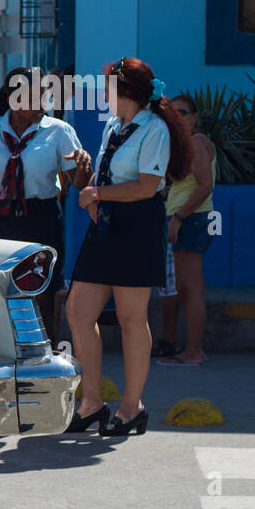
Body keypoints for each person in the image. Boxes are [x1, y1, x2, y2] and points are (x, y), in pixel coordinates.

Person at [66, 58, 195, 436]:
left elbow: (145, 186)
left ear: (127, 93)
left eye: (108, 87)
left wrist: (96, 193)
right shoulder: (113, 125)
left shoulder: (154, 129)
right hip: (107, 225)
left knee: (130, 319)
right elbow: (104, 176)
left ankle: (131, 407)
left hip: (138, 225)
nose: (103, 94)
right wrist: (92, 190)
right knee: (78, 312)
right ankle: (91, 403)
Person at [0, 66, 94, 341]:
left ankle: (47, 350)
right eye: (37, 95)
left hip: (41, 217)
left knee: (43, 289)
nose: (44, 102)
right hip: (0, 217)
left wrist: (84, 167)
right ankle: (3, 348)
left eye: (46, 94)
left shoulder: (59, 131)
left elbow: (80, 182)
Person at [156, 93, 217, 367]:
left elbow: (205, 185)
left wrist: (179, 217)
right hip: (187, 220)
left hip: (191, 221)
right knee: (184, 288)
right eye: (173, 113)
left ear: (194, 117)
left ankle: (194, 351)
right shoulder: (186, 144)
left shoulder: (197, 143)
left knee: (191, 289)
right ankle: (191, 350)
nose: (176, 117)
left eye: (182, 113)